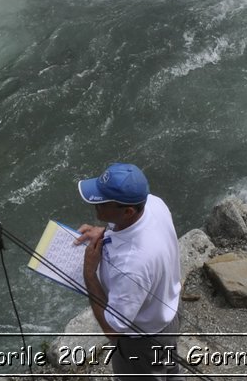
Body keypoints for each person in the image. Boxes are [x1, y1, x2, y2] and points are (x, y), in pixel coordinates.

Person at [74, 163, 182, 380]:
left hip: (143, 342)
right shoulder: (153, 203)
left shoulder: (132, 265)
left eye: (102, 202)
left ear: (128, 211)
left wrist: (89, 273)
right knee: (170, 373)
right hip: (169, 318)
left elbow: (112, 330)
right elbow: (130, 227)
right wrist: (105, 231)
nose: (95, 204)